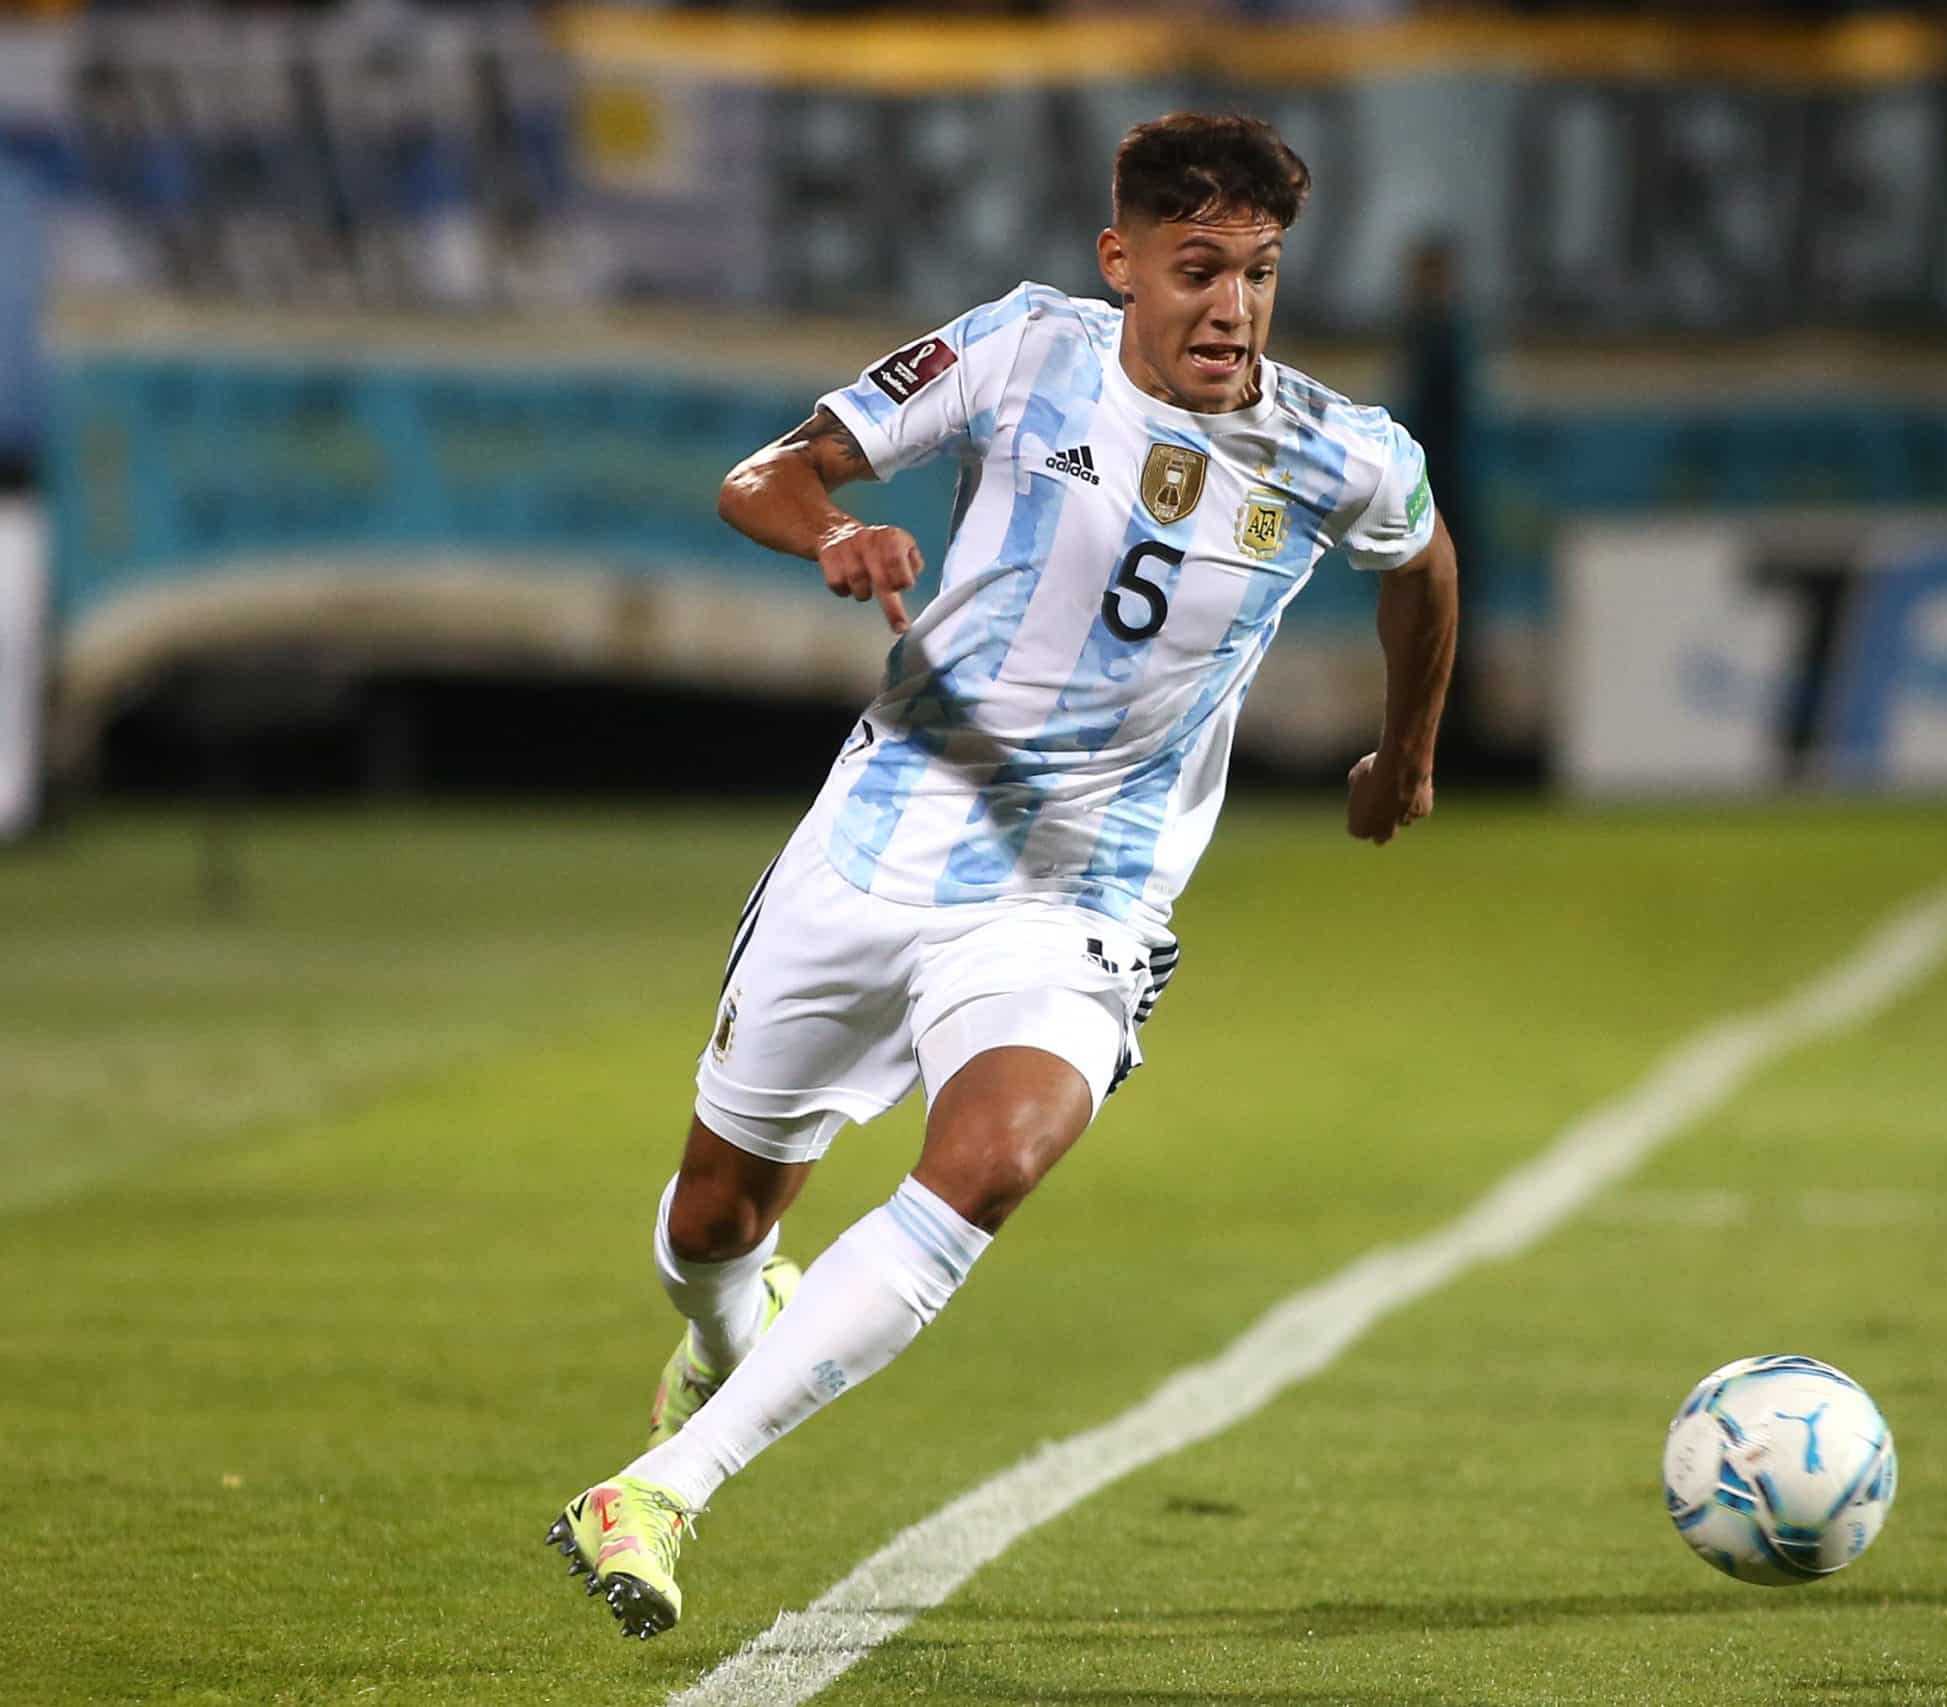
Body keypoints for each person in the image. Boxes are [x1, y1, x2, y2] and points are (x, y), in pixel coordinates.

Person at [543, 110, 1458, 1640]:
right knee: (714, 1221)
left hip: (1082, 896)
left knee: (993, 1160)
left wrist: (1408, 753)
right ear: (1122, 263)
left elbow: (1423, 566)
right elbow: (765, 476)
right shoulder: (1025, 351)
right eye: (1198, 270)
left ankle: (659, 1490)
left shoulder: (1337, 452)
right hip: (883, 842)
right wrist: (834, 534)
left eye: (1258, 274)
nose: (1232, 308)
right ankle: (723, 1333)